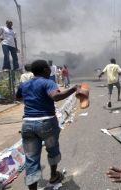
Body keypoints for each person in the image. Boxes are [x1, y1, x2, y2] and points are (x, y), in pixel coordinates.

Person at [16, 60, 79, 190]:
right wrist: (73, 89)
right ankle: (54, 176)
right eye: (48, 68)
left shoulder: (24, 84)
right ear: (45, 70)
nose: (50, 70)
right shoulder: (48, 82)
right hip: (47, 123)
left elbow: (17, 97)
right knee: (53, 150)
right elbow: (55, 96)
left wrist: (31, 102)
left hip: (27, 123)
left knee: (31, 159)